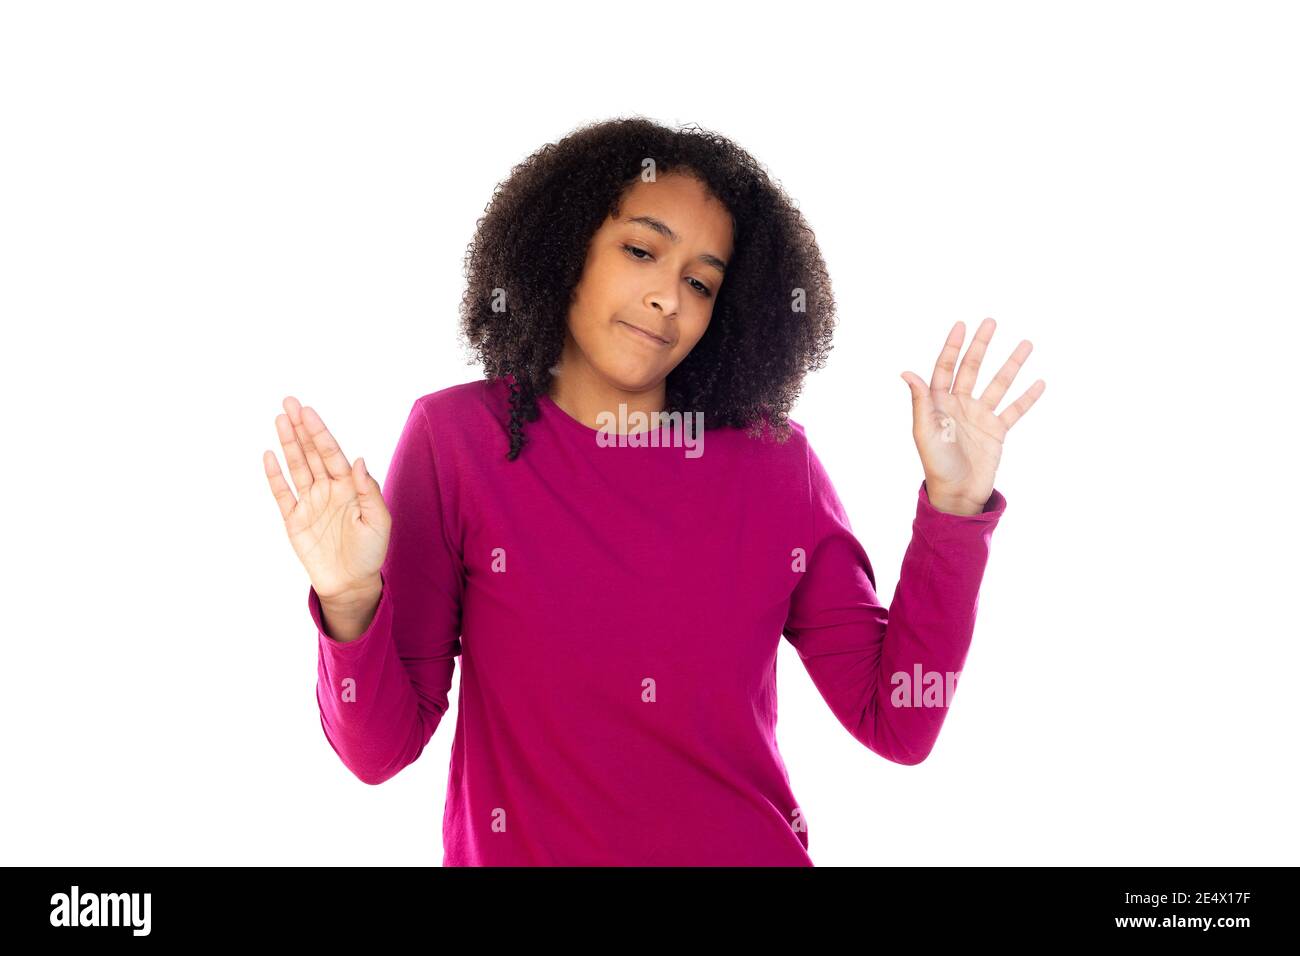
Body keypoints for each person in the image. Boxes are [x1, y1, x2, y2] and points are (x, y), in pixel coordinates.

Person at [262, 117, 1045, 866]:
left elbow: (897, 722)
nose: (670, 297)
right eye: (642, 250)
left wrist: (955, 507)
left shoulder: (775, 466)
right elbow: (379, 753)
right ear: (566, 249)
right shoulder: (456, 440)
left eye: (702, 284)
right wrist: (348, 593)